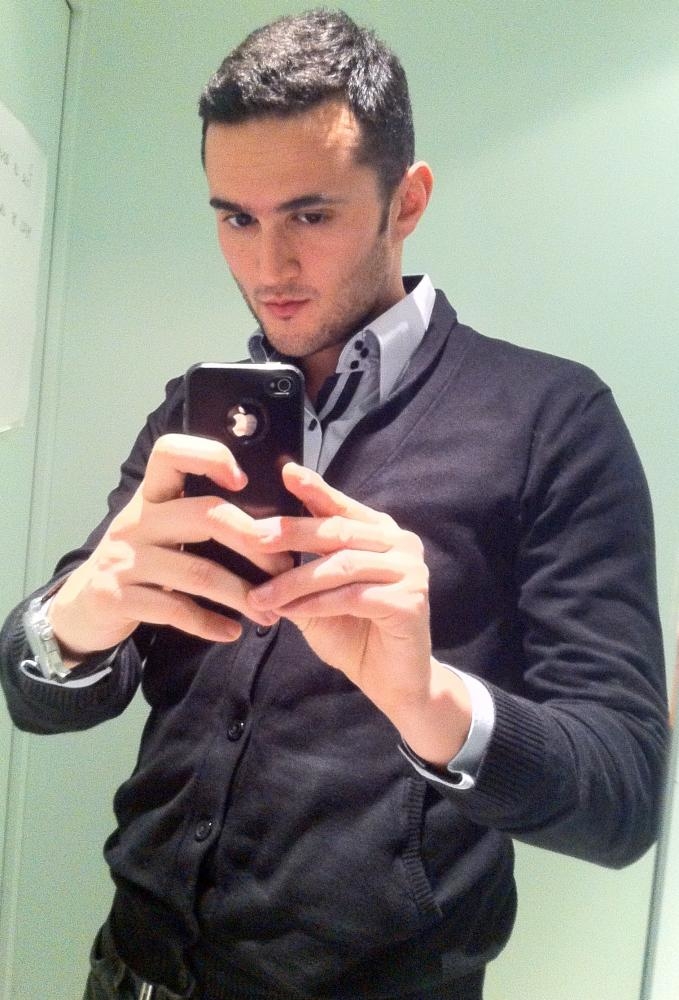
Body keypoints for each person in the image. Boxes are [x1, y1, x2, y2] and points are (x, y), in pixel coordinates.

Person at [0, 9, 669, 1000]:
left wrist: (426, 699)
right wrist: (80, 616)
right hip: (128, 971)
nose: (266, 268)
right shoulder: (197, 413)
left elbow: (621, 794)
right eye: (235, 218)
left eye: (309, 216)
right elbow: (33, 694)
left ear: (408, 201)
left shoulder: (550, 419)